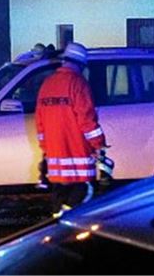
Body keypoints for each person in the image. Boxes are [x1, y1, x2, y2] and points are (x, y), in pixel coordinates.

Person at [34, 42, 107, 215]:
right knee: (81, 209)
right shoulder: (78, 83)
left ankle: (57, 237)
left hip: (56, 165)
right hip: (79, 165)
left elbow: (40, 123)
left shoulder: (47, 84)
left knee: (59, 210)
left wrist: (47, 150)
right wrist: (99, 145)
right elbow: (87, 120)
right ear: (80, 64)